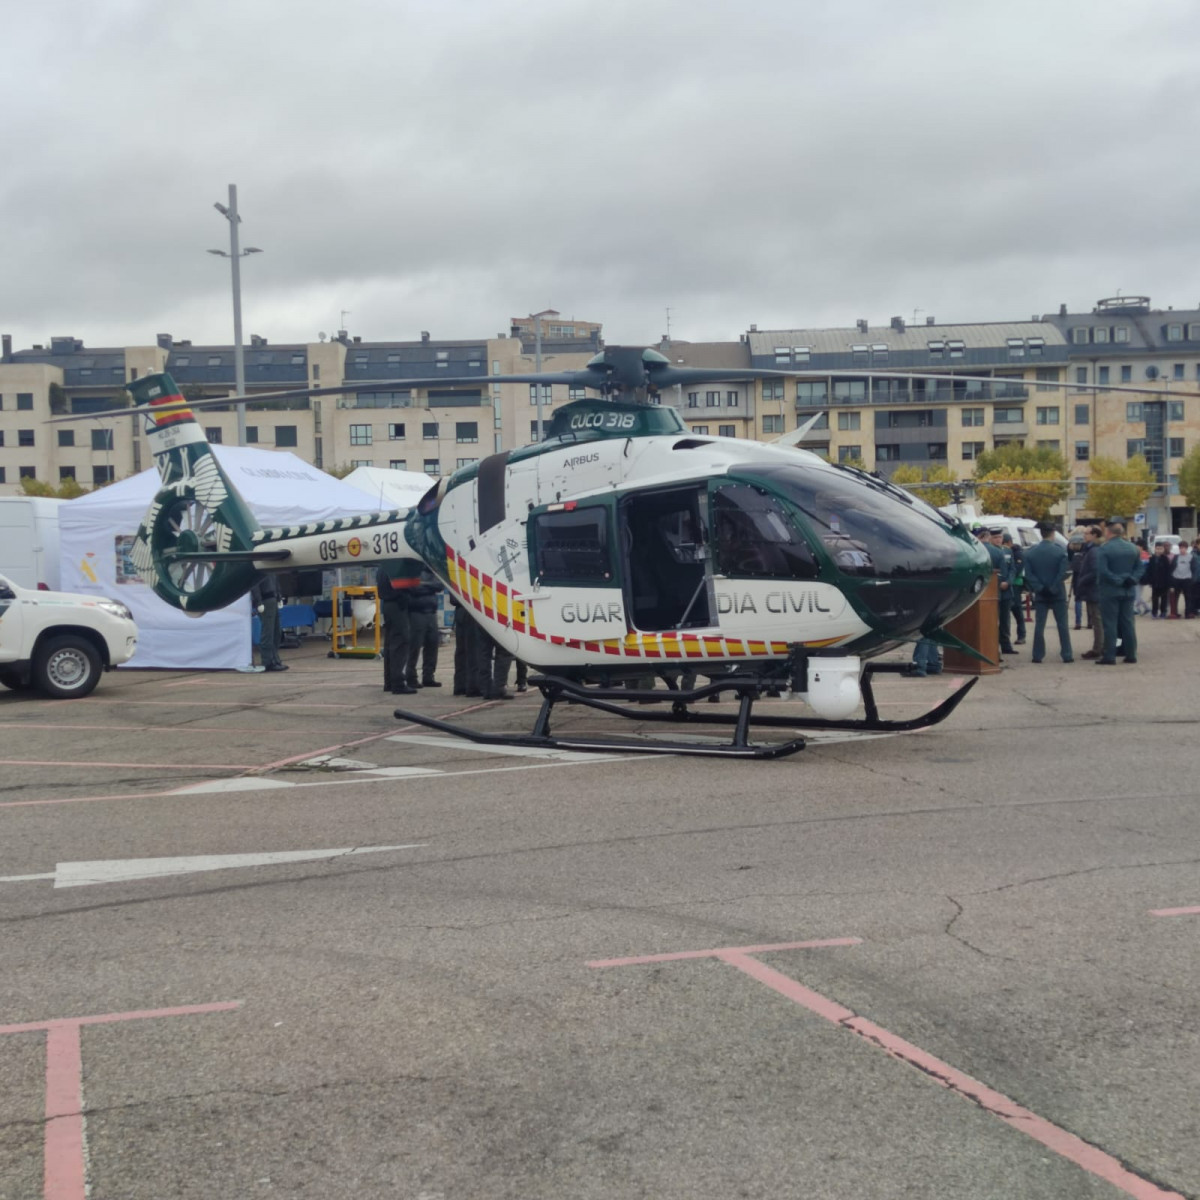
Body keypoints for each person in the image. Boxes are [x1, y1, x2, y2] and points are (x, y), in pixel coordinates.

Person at [1022, 521, 1073, 664]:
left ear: (1041, 533)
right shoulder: (1060, 551)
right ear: (1053, 533)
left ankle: (1037, 655)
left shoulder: (1031, 552)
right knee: (1062, 625)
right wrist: (1053, 586)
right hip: (1058, 594)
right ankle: (1067, 654)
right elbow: (1063, 572)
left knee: (1039, 625)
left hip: (1040, 594)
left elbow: (1029, 574)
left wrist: (1040, 587)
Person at [1094, 520, 1143, 665]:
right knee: (1128, 623)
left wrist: (1117, 580)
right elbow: (1140, 568)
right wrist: (1132, 579)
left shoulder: (1104, 549)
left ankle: (1110, 655)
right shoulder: (1133, 548)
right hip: (1128, 590)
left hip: (1110, 591)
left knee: (1110, 624)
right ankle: (1131, 654)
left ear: (1108, 533)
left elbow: (1103, 571)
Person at [376, 560, 417, 695]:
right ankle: (398, 683)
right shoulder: (396, 565)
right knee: (400, 642)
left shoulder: (383, 566)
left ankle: (389, 682)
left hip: (388, 605)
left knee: (390, 644)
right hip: (397, 605)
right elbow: (404, 586)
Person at [976, 526, 1016, 655]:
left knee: (1005, 621)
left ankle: (1006, 645)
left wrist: (1008, 582)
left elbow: (1012, 569)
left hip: (1006, 591)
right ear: (990, 538)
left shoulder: (1007, 551)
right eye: (995, 537)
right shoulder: (989, 551)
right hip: (991, 591)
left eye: (1000, 537)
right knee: (992, 620)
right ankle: (993, 647)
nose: (998, 540)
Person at [405, 567, 443, 687]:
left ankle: (428, 676)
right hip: (417, 612)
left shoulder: (432, 571)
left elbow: (440, 585)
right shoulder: (411, 570)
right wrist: (430, 586)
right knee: (414, 646)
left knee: (432, 645)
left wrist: (424, 585)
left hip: (431, 612)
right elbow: (414, 588)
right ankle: (411, 677)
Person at [1074, 525, 1105, 659]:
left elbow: (1094, 571)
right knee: (1096, 620)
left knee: (1097, 621)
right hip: (1094, 590)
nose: (1084, 536)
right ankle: (1101, 647)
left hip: (1094, 590)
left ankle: (1099, 648)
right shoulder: (1091, 549)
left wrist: (1081, 580)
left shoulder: (1094, 551)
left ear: (1094, 535)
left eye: (1087, 533)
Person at [251, 574, 287, 672]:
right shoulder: (259, 568)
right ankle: (267, 661)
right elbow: (254, 585)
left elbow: (276, 583)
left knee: (276, 632)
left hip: (273, 599)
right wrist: (258, 602)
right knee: (268, 633)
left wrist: (279, 596)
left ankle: (275, 659)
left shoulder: (271, 568)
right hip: (265, 600)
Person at [1002, 532, 1027, 644]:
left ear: (1009, 543)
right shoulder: (1003, 552)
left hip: (1015, 584)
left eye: (1005, 544)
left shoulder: (1018, 553)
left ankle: (1021, 635)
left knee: (1017, 610)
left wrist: (1009, 579)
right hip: (1006, 584)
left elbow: (1017, 569)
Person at [1146, 542, 1173, 619]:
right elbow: (1149, 570)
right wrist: (1150, 580)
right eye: (1157, 548)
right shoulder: (1152, 558)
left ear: (1163, 549)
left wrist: (1169, 582)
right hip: (1155, 582)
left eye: (1161, 549)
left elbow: (1168, 571)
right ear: (1155, 549)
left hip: (1164, 582)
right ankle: (1154, 612)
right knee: (1155, 598)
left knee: (1164, 598)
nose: (1159, 550)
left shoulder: (1165, 559)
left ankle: (1163, 612)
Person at [1169, 539, 1194, 618]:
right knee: (1175, 597)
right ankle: (1174, 613)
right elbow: (1172, 567)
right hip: (1177, 579)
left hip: (1187, 579)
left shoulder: (1191, 557)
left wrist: (1192, 578)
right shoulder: (1176, 557)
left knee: (1188, 597)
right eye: (1181, 548)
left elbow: (1193, 568)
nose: (1182, 550)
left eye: (1184, 548)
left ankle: (1188, 613)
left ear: (1187, 548)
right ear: (1179, 548)